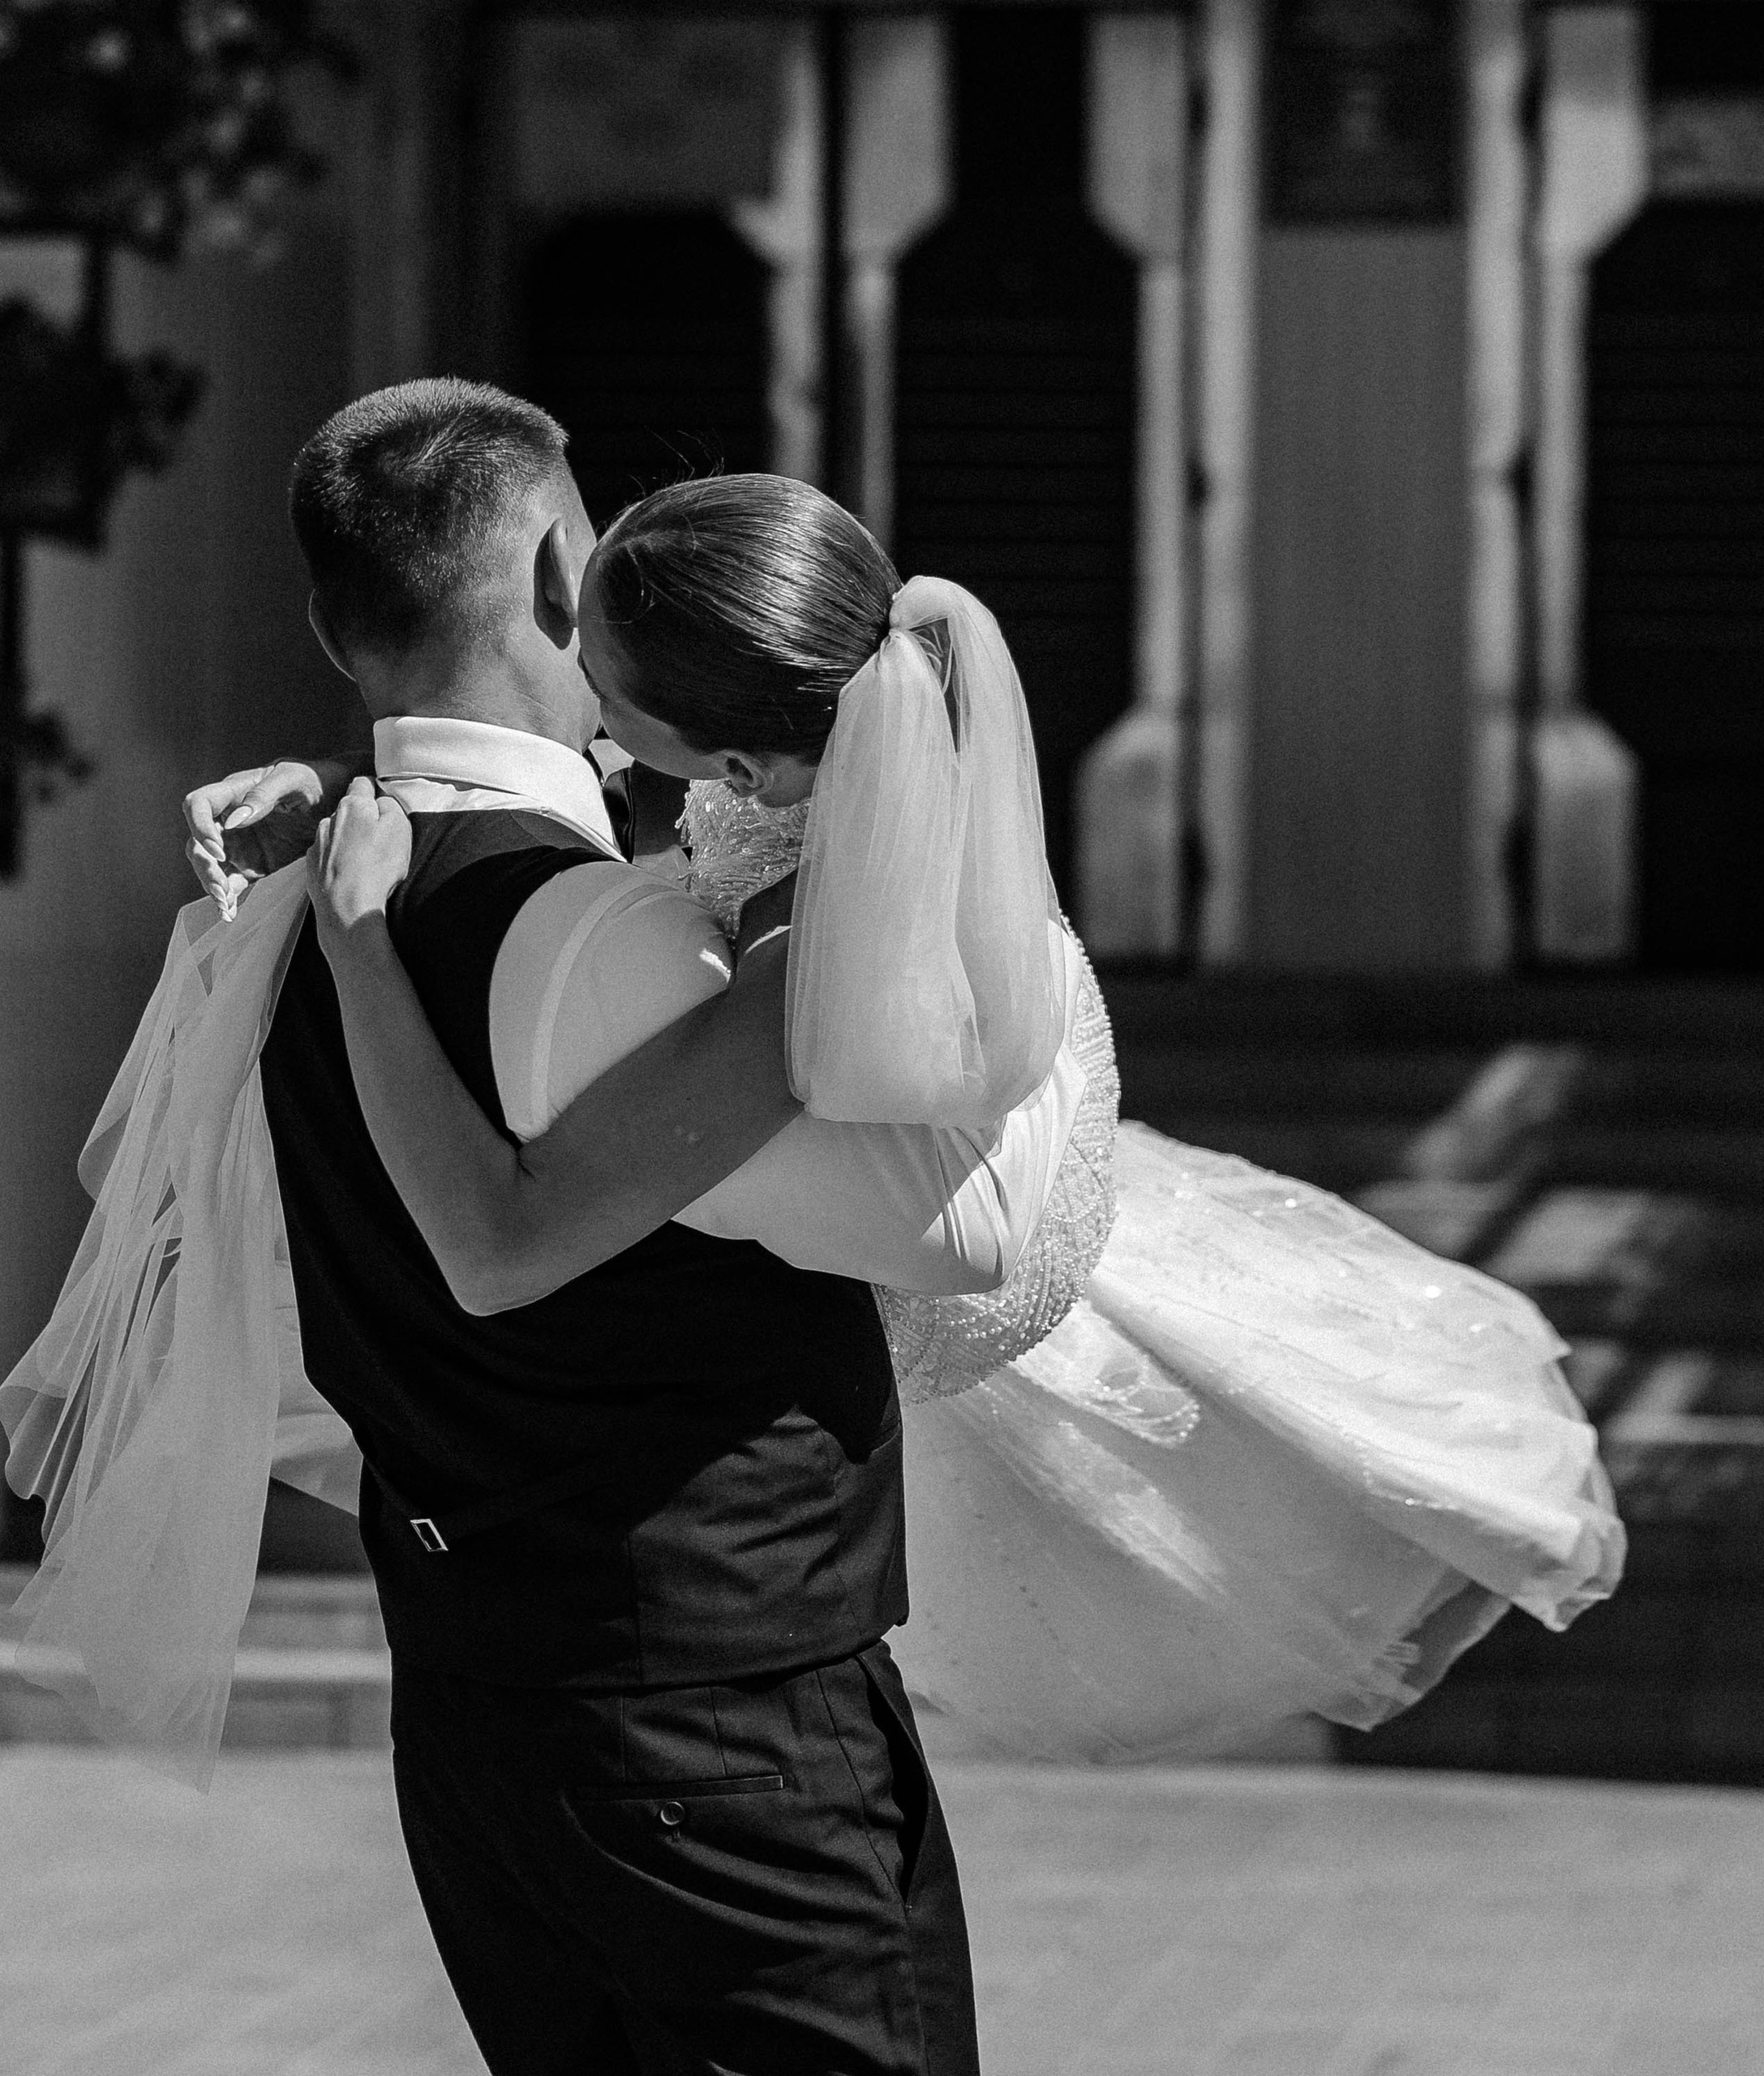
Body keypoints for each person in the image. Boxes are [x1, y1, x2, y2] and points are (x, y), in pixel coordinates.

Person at [4, 381, 1110, 2076]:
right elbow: (972, 1228)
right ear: (550, 577)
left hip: (472, 1720)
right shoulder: (631, 948)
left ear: (325, 625)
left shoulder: (276, 902)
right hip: (721, 1734)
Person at [251, 465, 1626, 1761]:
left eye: (599, 680)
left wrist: (366, 943)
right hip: (975, 1126)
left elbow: (522, 1240)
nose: (573, 686)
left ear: (734, 768)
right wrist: (359, 778)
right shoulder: (859, 732)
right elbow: (558, 779)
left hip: (969, 1229)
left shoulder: (810, 948)